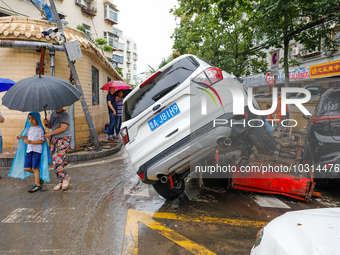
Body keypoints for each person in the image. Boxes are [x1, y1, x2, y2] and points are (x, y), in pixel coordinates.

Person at [9, 112, 50, 192]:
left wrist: (30, 142)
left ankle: (37, 184)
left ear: (37, 119)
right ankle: (39, 177)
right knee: (27, 168)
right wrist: (21, 137)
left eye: (33, 118)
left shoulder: (40, 129)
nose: (31, 120)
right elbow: (28, 137)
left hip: (37, 151)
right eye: (29, 118)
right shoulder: (29, 128)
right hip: (29, 150)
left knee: (35, 168)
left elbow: (41, 141)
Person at [43, 108, 72, 191]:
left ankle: (65, 178)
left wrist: (50, 133)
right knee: (55, 161)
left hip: (63, 139)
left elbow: (63, 128)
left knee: (58, 159)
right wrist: (47, 124)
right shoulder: (53, 114)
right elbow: (52, 126)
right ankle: (61, 180)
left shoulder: (65, 114)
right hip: (54, 140)